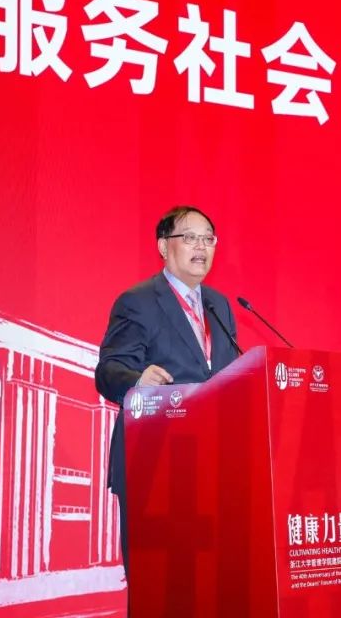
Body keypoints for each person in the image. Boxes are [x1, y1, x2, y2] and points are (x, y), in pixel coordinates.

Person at [94, 205, 239, 576]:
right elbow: (108, 371)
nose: (201, 247)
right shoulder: (138, 302)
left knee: (215, 584)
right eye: (189, 237)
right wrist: (138, 381)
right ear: (163, 246)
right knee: (160, 585)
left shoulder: (219, 305)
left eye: (208, 239)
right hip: (156, 463)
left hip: (215, 466)